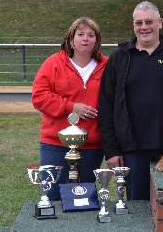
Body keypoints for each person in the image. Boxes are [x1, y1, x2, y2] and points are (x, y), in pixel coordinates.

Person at [98, 1, 163, 200]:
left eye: (149, 22)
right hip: (133, 150)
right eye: (139, 23)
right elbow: (106, 105)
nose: (144, 27)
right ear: (134, 25)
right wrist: (111, 150)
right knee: (138, 208)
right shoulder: (119, 58)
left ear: (160, 23)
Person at [32, 17, 108, 201]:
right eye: (80, 34)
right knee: (53, 198)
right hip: (55, 145)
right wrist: (71, 107)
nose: (85, 39)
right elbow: (39, 96)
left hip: (92, 145)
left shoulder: (107, 65)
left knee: (84, 199)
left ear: (97, 41)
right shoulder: (54, 63)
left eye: (91, 35)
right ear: (71, 39)